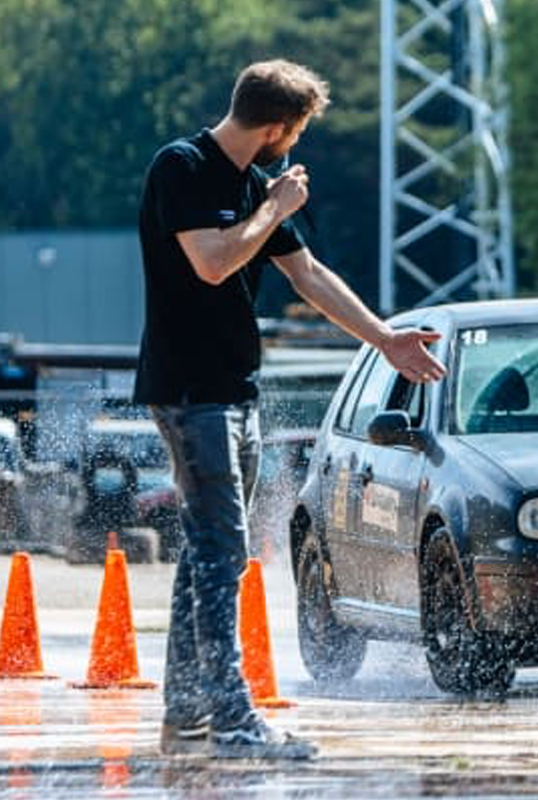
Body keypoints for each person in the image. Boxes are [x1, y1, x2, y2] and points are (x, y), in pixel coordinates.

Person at [133, 59, 446, 760]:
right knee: (223, 556)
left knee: (210, 553)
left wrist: (386, 339)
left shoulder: (249, 184)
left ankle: (187, 716)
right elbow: (212, 263)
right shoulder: (181, 168)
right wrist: (273, 208)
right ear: (277, 127)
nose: (294, 147)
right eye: (296, 133)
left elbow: (309, 277)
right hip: (190, 391)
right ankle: (235, 724)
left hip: (233, 388)